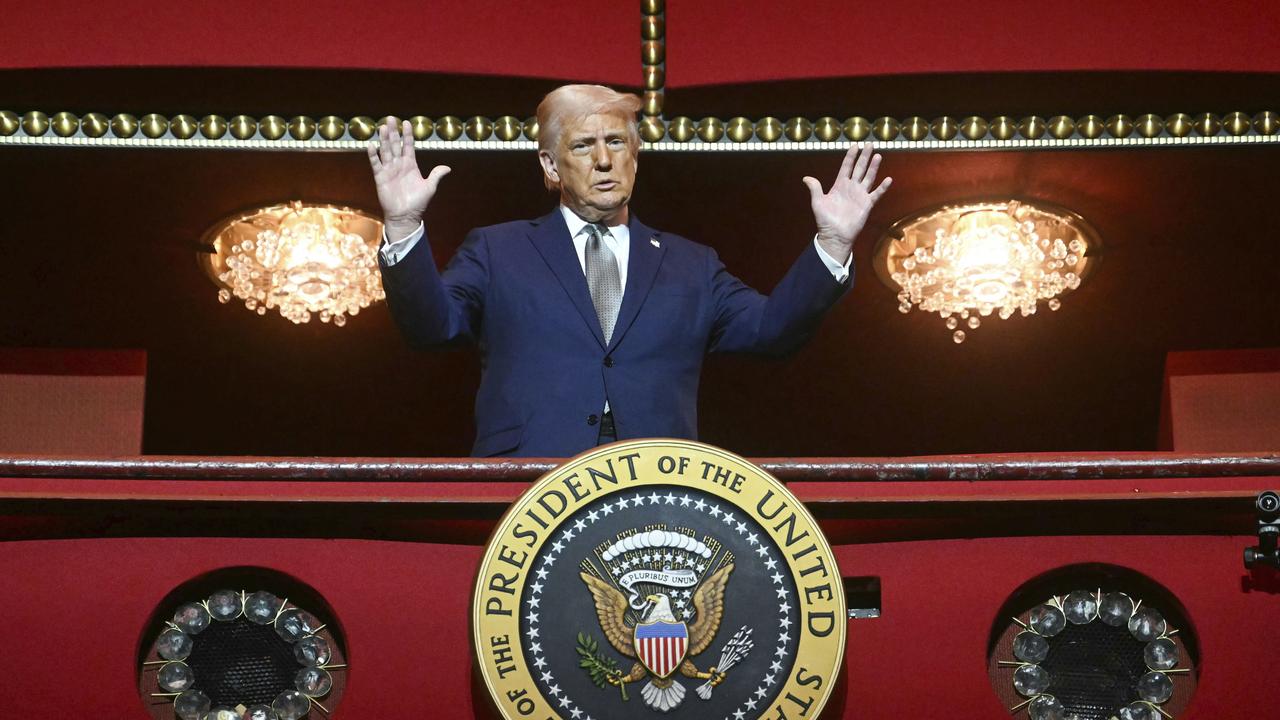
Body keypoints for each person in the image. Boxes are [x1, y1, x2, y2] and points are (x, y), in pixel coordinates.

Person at [369, 84, 891, 457]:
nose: (603, 160)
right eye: (582, 145)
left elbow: (771, 331)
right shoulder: (497, 249)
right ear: (551, 166)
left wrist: (833, 242)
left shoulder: (691, 264)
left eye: (616, 143)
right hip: (528, 484)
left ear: (636, 158)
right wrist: (403, 223)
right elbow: (430, 329)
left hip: (657, 486)